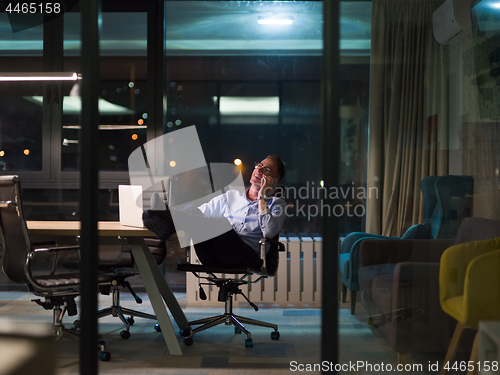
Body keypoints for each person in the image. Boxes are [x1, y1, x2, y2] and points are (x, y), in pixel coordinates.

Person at [142, 155, 287, 269]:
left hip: (246, 258)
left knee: (222, 224)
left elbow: (269, 232)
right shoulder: (231, 197)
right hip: (212, 255)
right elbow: (196, 213)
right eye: (259, 165)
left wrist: (262, 196)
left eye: (266, 170)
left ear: (274, 180)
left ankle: (167, 220)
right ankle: (166, 217)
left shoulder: (277, 204)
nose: (259, 169)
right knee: (195, 211)